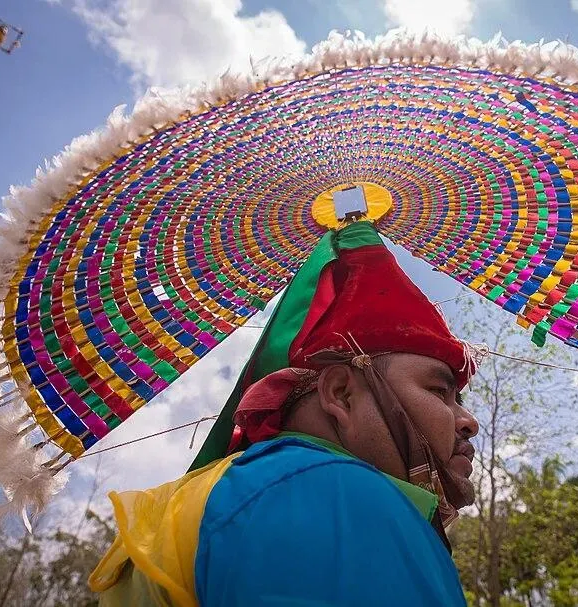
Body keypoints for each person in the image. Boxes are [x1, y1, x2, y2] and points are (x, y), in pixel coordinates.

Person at [89, 222, 481, 606]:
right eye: (438, 391)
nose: (468, 422)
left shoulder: (225, 493)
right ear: (342, 394)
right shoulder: (340, 499)